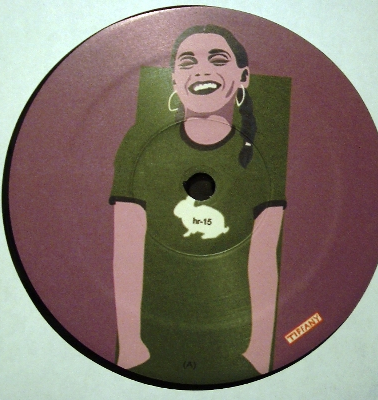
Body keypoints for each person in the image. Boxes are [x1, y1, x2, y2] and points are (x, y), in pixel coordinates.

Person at [110, 25, 287, 385]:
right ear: (174, 79)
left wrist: (258, 352)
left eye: (218, 60)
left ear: (243, 77)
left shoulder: (263, 157)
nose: (202, 70)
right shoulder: (140, 146)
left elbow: (264, 258)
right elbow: (127, 251)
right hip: (149, 339)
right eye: (187, 62)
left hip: (233, 342)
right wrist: (130, 347)